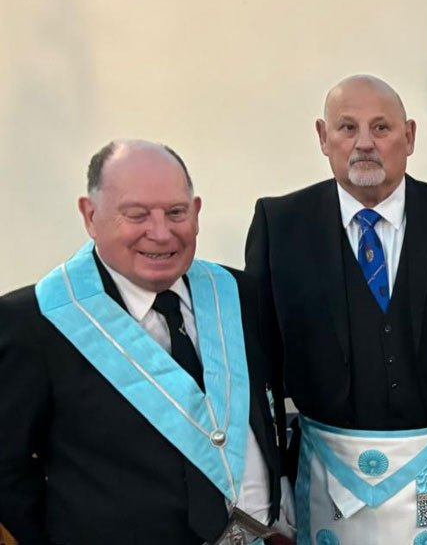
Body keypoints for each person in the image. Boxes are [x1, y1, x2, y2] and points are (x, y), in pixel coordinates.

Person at [244, 75, 427, 544]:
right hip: (327, 475)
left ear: (409, 136)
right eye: (347, 128)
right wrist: (272, 469)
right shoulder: (280, 225)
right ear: (324, 138)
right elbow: (260, 363)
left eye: (381, 128)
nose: (364, 142)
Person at [0, 140, 284, 544]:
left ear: (197, 212)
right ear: (90, 215)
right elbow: (7, 470)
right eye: (137, 215)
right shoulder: (34, 322)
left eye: (175, 212)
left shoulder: (239, 294)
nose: (160, 232)